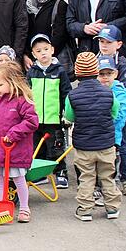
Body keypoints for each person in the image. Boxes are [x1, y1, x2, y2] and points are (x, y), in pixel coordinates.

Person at [0, 63, 39, 223]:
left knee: (19, 179)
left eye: (0, 84)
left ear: (13, 82)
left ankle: (24, 208)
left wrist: (13, 134)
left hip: (16, 150)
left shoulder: (22, 101)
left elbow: (32, 121)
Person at [65, 52, 122, 222]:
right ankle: (112, 208)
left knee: (86, 177)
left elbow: (70, 117)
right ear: (96, 71)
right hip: (106, 144)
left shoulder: (72, 95)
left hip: (84, 146)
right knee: (108, 176)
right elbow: (114, 113)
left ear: (77, 73)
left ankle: (85, 209)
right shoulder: (108, 93)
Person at [25, 34, 72, 188]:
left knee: (56, 146)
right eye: (38, 51)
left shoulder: (60, 71)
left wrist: (67, 113)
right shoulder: (32, 72)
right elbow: (27, 93)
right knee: (37, 147)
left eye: (46, 49)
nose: (43, 53)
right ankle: (40, 174)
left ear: (52, 49)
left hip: (54, 118)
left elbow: (66, 93)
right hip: (36, 119)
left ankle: (60, 173)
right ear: (33, 54)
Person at [95, 25, 126, 195]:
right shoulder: (94, 60)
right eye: (102, 41)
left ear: (118, 44)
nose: (104, 45)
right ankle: (101, 182)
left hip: (117, 115)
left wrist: (117, 116)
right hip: (99, 116)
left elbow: (123, 94)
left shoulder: (122, 65)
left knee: (122, 144)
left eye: (109, 42)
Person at [25, 0, 74, 77]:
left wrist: (44, 57)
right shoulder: (25, 5)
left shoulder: (60, 5)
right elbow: (22, 32)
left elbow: (60, 36)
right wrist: (26, 55)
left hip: (53, 63)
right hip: (30, 63)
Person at [98, 56, 126, 192]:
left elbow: (120, 115)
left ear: (116, 74)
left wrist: (105, 124)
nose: (105, 77)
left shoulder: (120, 92)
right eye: (101, 74)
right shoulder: (96, 90)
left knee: (112, 164)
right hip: (99, 137)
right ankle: (102, 188)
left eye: (109, 73)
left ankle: (113, 190)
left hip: (114, 136)